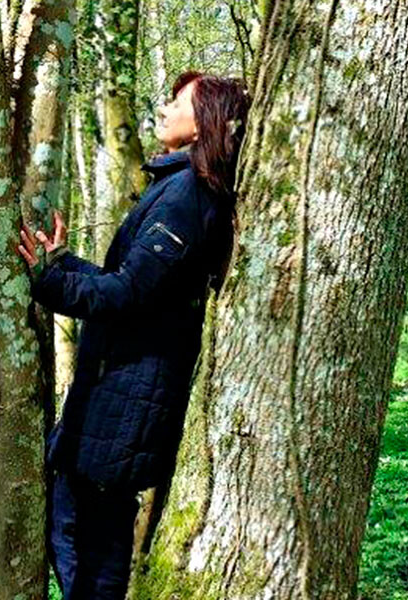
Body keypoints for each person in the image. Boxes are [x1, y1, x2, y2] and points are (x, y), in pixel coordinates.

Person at [15, 71, 250, 600]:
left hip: (126, 404)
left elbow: (126, 296)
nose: (164, 109)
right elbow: (137, 284)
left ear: (203, 125)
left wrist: (49, 282)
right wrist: (60, 264)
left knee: (93, 551)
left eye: (178, 103)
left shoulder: (187, 197)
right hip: (116, 398)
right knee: (77, 531)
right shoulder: (175, 187)